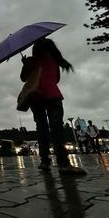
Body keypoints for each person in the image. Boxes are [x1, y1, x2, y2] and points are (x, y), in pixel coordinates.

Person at [20, 38, 86, 175]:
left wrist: (25, 64)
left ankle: (45, 162)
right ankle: (63, 164)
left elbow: (23, 78)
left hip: (36, 97)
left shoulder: (31, 61)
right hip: (52, 96)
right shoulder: (55, 60)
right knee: (56, 129)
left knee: (41, 129)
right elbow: (56, 79)